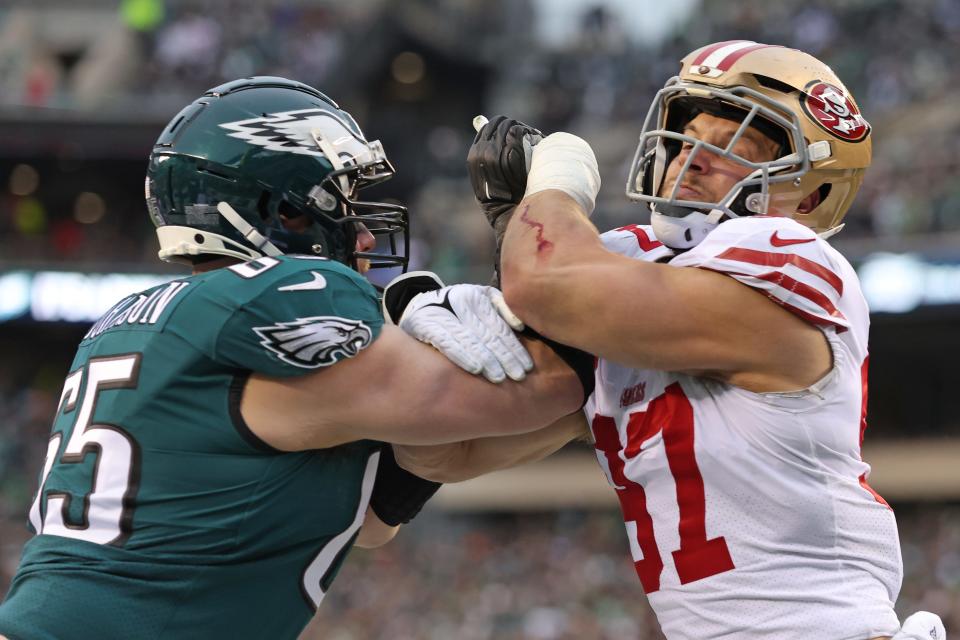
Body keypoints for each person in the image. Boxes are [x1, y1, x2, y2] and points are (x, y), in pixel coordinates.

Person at [0, 76, 592, 640]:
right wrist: (545, 214)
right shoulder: (274, 292)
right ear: (280, 210)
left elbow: (396, 497)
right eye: (342, 199)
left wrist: (605, 398)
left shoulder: (134, 321)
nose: (363, 236)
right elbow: (523, 391)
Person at [462, 42, 946, 639]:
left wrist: (548, 193)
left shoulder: (791, 255)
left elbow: (547, 283)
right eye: (687, 138)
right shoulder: (638, 285)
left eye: (732, 149)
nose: (692, 159)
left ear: (808, 196)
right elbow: (448, 453)